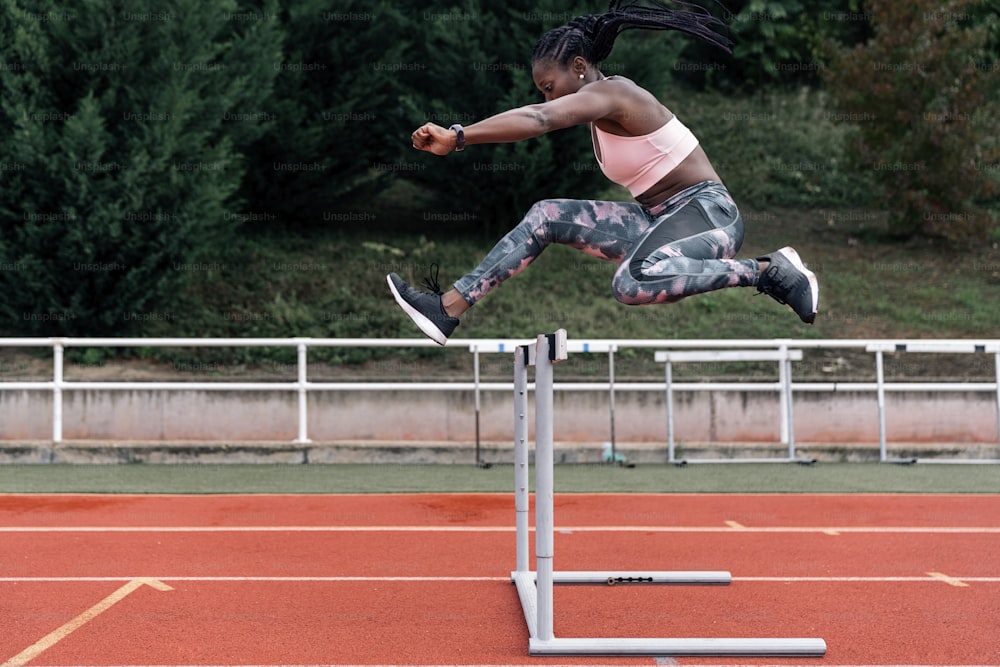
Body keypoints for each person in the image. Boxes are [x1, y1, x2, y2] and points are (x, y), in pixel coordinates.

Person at [388, 0, 818, 346]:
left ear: (579, 66)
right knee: (545, 216)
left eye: (549, 86)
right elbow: (544, 113)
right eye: (544, 91)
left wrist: (459, 136)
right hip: (660, 218)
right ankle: (446, 309)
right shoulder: (600, 109)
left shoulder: (615, 93)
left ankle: (768, 271)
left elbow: (540, 119)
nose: (549, 97)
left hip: (708, 214)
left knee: (632, 280)